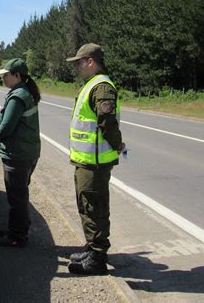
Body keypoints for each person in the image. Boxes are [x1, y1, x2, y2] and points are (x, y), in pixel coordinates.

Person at [66, 43, 125, 274]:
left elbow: (107, 123)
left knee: (94, 207)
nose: (78, 67)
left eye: (79, 62)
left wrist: (118, 144)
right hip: (87, 160)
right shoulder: (92, 85)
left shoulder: (101, 87)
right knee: (87, 204)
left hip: (95, 162)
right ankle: (92, 247)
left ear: (91, 61)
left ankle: (98, 258)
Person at [0, 58, 41, 248]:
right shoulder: (24, 92)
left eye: (6, 75)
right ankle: (17, 228)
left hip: (18, 154)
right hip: (27, 151)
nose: (3, 78)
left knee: (16, 197)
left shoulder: (18, 96)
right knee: (20, 194)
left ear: (17, 75)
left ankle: (17, 236)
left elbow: (6, 128)